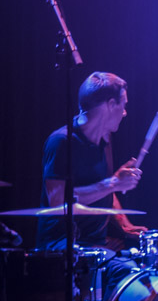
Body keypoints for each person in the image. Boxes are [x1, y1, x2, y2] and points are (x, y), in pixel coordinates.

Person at [38, 71, 147, 251]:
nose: (125, 113)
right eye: (123, 105)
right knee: (124, 269)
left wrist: (125, 225)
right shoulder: (61, 142)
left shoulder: (105, 138)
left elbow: (103, 190)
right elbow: (57, 202)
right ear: (111, 105)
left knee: (141, 263)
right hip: (62, 247)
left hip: (97, 243)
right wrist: (113, 183)